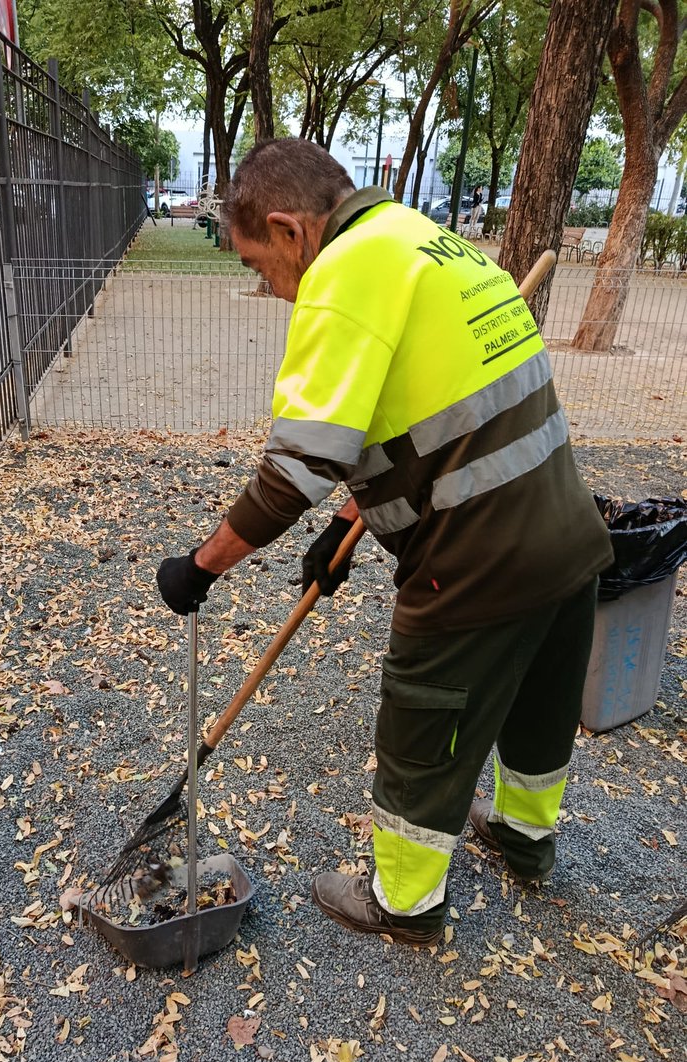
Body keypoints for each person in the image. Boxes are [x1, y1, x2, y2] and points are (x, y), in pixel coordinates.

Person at [156, 139, 613, 948]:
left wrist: (201, 565)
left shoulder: (342, 275)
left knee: (422, 715)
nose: (273, 290)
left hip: (479, 557)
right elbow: (422, 416)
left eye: (263, 268)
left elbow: (295, 469)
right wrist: (342, 529)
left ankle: (402, 903)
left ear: (291, 230)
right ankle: (524, 836)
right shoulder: (422, 240)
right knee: (542, 699)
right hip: (568, 533)